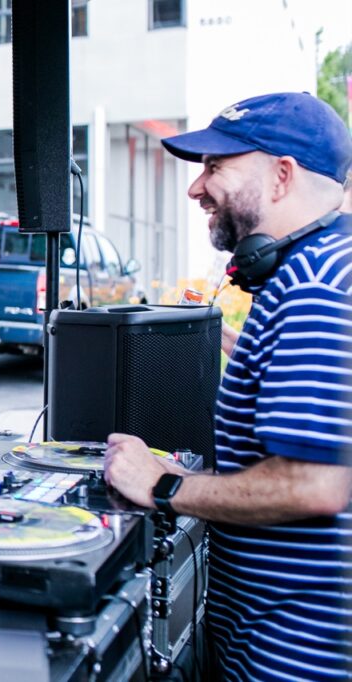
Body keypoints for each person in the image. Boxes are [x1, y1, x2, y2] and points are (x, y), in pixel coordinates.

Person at [103, 92, 352, 680]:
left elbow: (316, 485)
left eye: (215, 167)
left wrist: (163, 485)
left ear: (281, 176)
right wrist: (247, 352)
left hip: (294, 655)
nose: (196, 187)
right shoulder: (320, 271)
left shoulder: (314, 286)